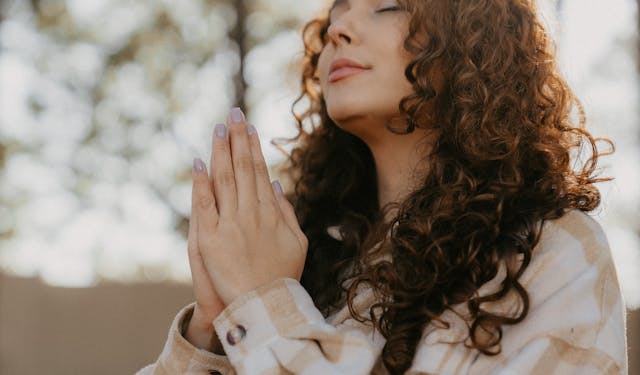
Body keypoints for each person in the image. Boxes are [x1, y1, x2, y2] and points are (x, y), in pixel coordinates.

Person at [137, 0, 628, 374]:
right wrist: (214, 331)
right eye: (337, 10)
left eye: (388, 4)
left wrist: (264, 304)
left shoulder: (554, 251)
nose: (338, 28)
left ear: (474, 37)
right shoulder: (314, 259)